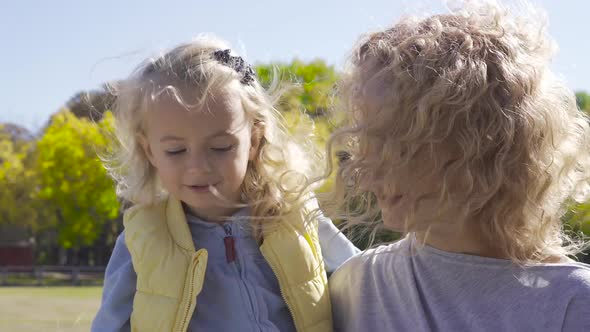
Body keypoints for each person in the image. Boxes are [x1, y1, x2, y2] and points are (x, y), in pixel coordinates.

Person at [325, 1, 590, 331]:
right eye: (364, 142)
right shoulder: (359, 285)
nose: (366, 173)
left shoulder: (572, 303)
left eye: (399, 146)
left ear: (485, 148)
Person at [91, 36, 358, 332]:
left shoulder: (296, 215)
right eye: (176, 151)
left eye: (220, 147)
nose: (198, 167)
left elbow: (361, 283)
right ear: (149, 151)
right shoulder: (141, 239)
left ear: (254, 140)